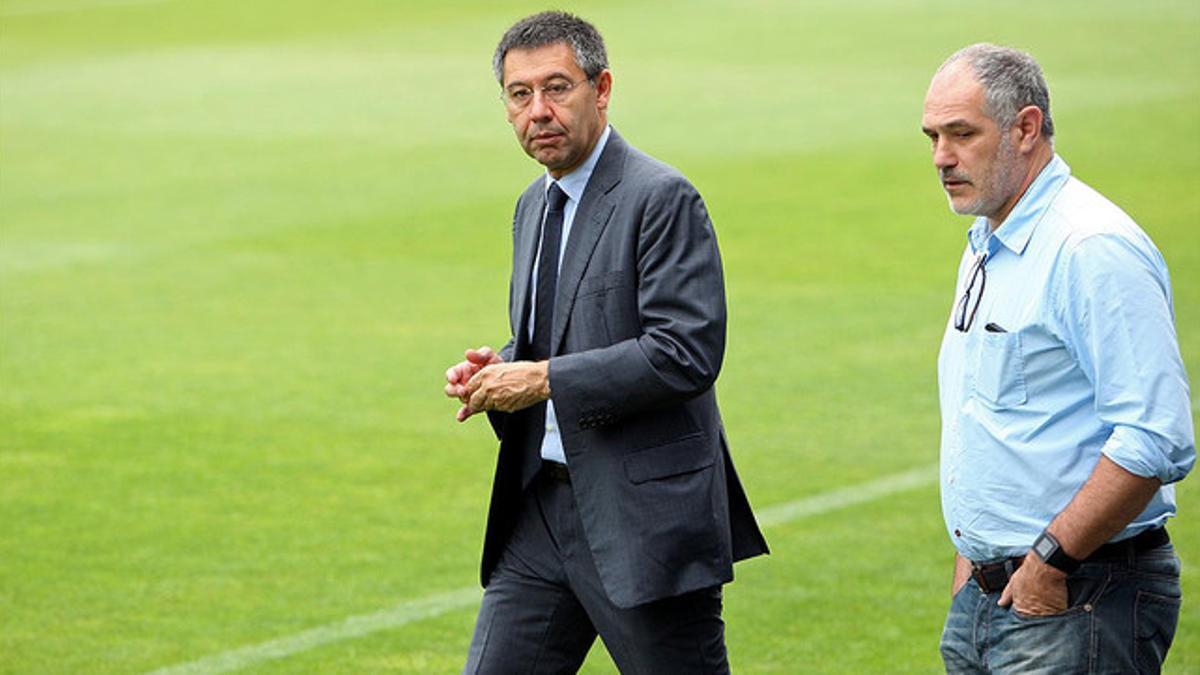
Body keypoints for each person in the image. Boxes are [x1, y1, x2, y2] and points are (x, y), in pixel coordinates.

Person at [443, 11, 768, 673]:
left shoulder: (662, 197)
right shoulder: (533, 204)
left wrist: (541, 379)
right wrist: (500, 366)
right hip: (540, 512)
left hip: (640, 522)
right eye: (519, 94)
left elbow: (686, 351)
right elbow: (559, 334)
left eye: (557, 88)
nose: (539, 110)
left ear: (602, 88)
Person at [922, 43, 1195, 673]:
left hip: (1077, 594)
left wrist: (1050, 560)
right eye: (933, 136)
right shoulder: (990, 239)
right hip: (992, 595)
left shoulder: (1090, 248)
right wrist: (973, 558)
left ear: (1026, 127)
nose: (941, 157)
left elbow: (1156, 436)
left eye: (962, 134)